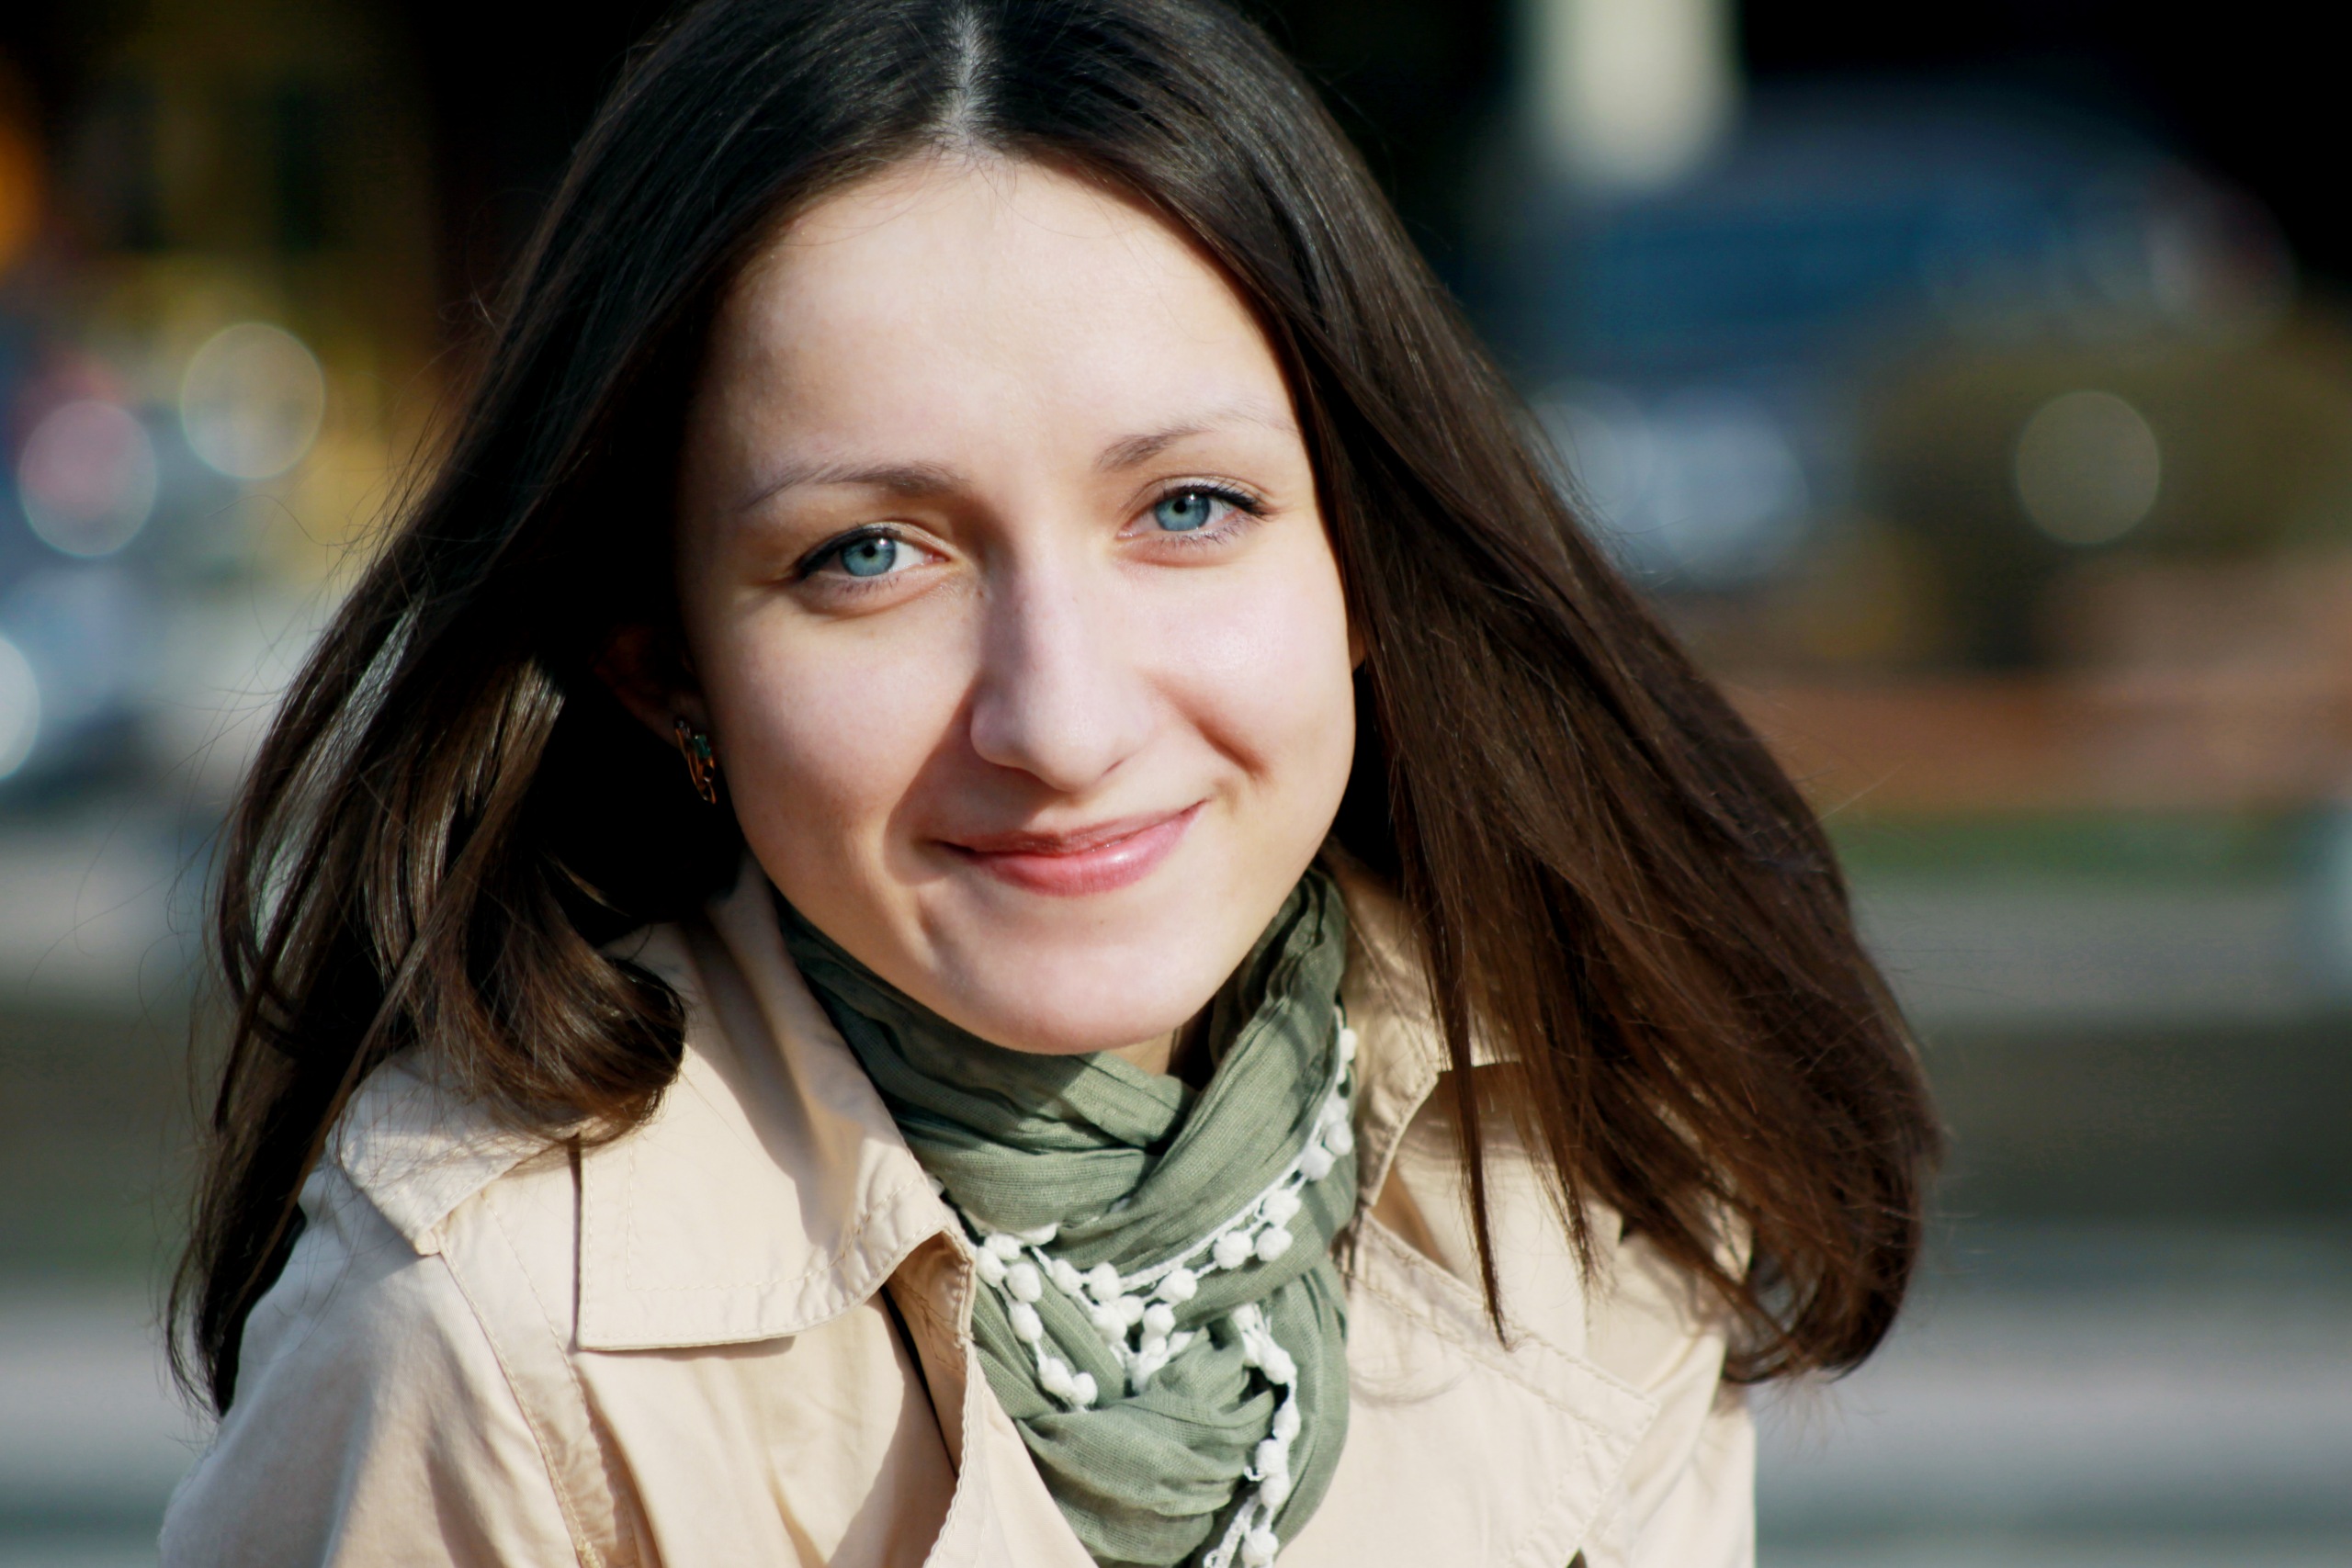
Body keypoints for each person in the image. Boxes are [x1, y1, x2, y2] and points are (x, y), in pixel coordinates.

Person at [161, 1, 1938, 1562]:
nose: (1064, 723)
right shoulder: (481, 1345)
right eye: (870, 554)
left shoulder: (1589, 1164)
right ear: (664, 661)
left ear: (1364, 569)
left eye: (1189, 509)